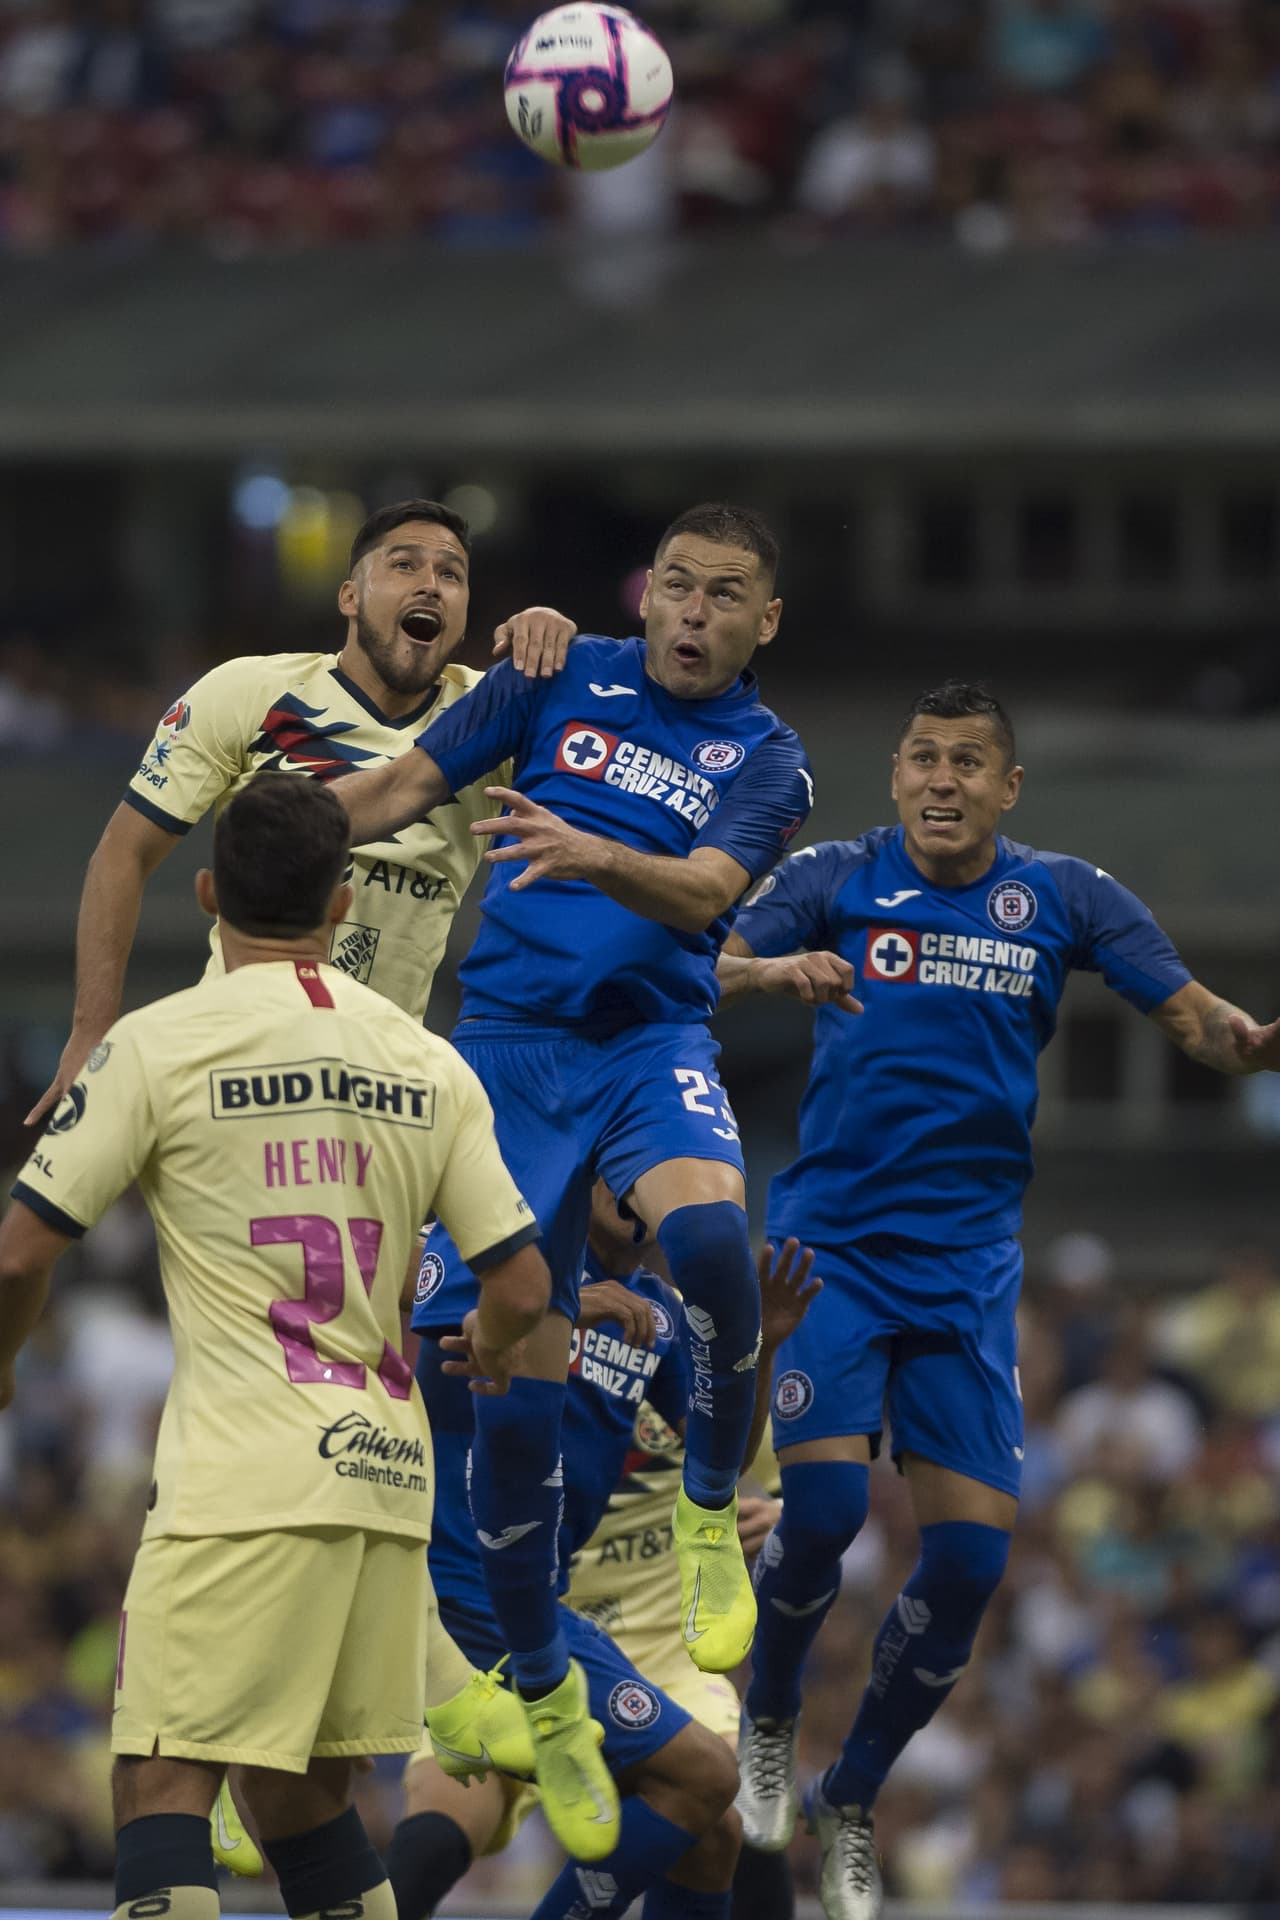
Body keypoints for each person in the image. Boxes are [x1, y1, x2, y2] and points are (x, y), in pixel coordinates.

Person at [716, 679, 1280, 1920]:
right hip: (832, 1253)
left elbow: (1188, 1017)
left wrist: (1242, 1046)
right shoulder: (835, 876)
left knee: (968, 1560)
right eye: (921, 757)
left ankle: (850, 1795)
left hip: (966, 1273)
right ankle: (768, 1716)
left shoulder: (1064, 897)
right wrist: (764, 975)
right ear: (897, 776)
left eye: (966, 762)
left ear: (1006, 788)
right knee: (815, 1511)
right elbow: (705, 963)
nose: (938, 779)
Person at [0, 774, 551, 1920]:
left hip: (242, 1479)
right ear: (343, 905)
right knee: (298, 1797)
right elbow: (522, 1283)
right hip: (386, 1485)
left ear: (206, 895)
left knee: (162, 1778)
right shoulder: (426, 1061)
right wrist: (495, 1350)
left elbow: (17, 1257)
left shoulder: (162, 1046)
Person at [331, 502, 814, 1798]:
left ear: (763, 622)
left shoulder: (771, 756)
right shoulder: (555, 674)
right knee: (514, 1402)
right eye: (677, 589)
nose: (694, 616)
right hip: (504, 1056)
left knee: (712, 1239)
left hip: (647, 1042)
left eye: (724, 598)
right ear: (644, 595)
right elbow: (396, 788)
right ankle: (539, 1684)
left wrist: (590, 848)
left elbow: (710, 893)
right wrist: (272, 842)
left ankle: (710, 1498)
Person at [26, 497, 577, 1127]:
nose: (431, 583)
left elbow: (623, 790)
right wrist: (90, 1032)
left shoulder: (494, 713)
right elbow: (124, 853)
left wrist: (564, 645)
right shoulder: (247, 691)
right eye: (405, 564)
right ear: (349, 596)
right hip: (237, 1061)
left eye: (451, 574)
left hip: (385, 1082)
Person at [390, 1181, 819, 1919]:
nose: (635, 1189)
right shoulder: (501, 1255)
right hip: (471, 1601)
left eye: (649, 1174)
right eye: (616, 1174)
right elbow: (443, 1324)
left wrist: (761, 1348)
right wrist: (555, 1302)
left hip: (551, 1609)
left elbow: (720, 1456)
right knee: (699, 1783)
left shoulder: (666, 1316)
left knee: (713, 1816)